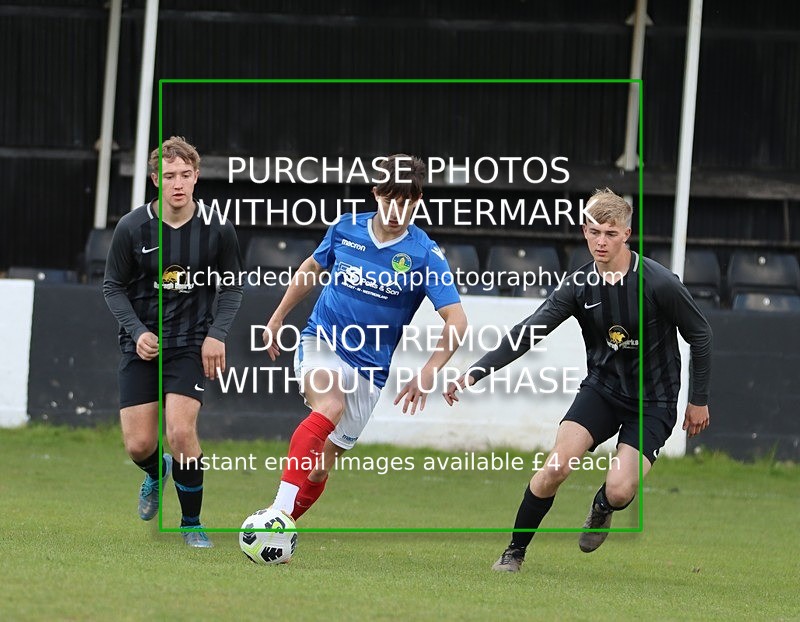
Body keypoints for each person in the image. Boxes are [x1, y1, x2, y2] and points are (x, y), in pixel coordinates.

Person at [443, 188, 712, 572]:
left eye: (611, 233)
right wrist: (475, 371)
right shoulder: (578, 285)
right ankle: (514, 552)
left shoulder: (659, 283)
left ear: (626, 234)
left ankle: (603, 506)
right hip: (602, 391)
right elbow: (529, 331)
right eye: (594, 232)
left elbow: (701, 334)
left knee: (620, 490)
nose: (601, 241)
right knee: (555, 467)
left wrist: (698, 399)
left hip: (653, 401)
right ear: (585, 231)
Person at [263, 154, 467, 520]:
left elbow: (457, 320)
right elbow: (312, 267)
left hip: (370, 368)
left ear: (418, 201)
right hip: (322, 339)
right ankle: (276, 512)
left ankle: (281, 529)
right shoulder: (346, 228)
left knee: (320, 468)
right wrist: (278, 316)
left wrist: (428, 371)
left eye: (406, 202)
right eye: (390, 199)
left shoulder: (424, 254)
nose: (396, 210)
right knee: (330, 406)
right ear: (376, 193)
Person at [103, 136, 243, 547]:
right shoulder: (132, 227)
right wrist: (137, 331)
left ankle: (191, 523)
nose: (177, 183)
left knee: (181, 433)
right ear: (155, 180)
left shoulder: (218, 228)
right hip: (142, 345)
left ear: (196, 176)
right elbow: (112, 287)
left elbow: (233, 287)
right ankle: (155, 470)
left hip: (190, 344)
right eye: (168, 176)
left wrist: (216, 335)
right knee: (139, 445)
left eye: (185, 174)